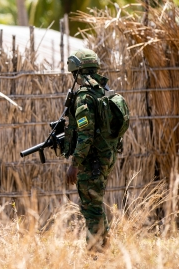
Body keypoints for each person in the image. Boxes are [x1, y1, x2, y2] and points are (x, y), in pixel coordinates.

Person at [64, 48, 120, 252]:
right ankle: (103, 248)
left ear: (78, 71)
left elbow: (86, 135)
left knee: (91, 207)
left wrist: (74, 164)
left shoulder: (85, 97)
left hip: (92, 160)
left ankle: (96, 253)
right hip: (106, 156)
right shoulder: (105, 91)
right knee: (95, 202)